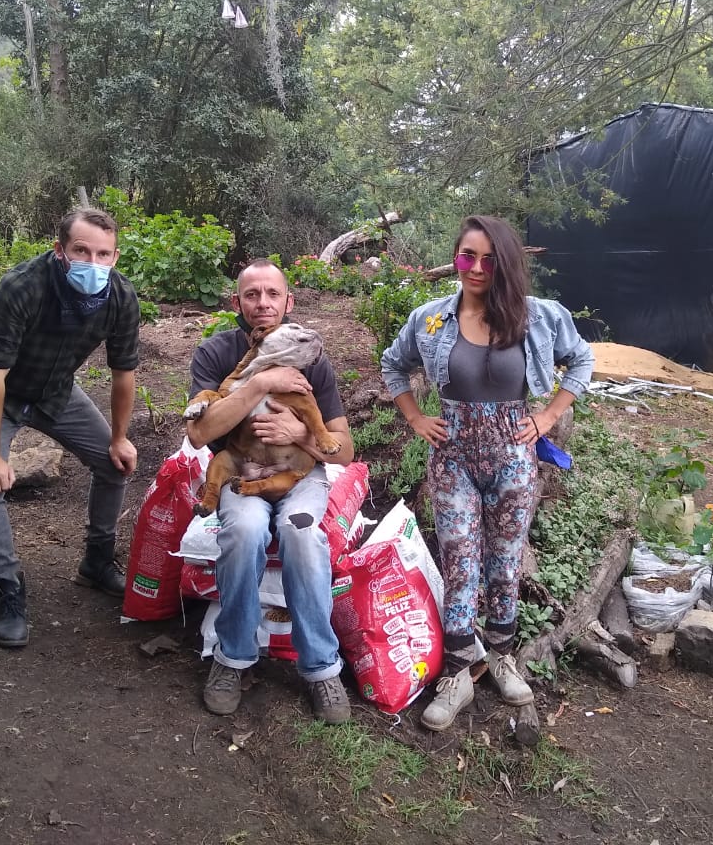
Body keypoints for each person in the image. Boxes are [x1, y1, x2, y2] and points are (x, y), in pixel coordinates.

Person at [380, 215, 595, 731]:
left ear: (506, 263)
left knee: (504, 562)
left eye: (488, 259)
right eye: (466, 256)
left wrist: (548, 416)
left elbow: (582, 360)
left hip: (513, 456)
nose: (475, 268)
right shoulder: (430, 318)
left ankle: (502, 657)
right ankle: (457, 672)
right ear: (455, 258)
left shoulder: (538, 317)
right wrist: (415, 417)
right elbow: (393, 364)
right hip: (451, 457)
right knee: (459, 562)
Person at [0, 208, 140, 649]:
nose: (93, 263)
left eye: (104, 254)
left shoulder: (120, 297)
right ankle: (8, 589)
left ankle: (96, 562)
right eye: (81, 251)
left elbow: (124, 374)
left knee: (114, 464)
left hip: (55, 391)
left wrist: (119, 438)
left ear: (114, 257)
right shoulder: (23, 287)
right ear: (60, 250)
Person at [186, 259, 355, 724]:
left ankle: (321, 667)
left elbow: (343, 451)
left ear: (288, 301)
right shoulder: (216, 352)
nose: (263, 303)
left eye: (273, 294)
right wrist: (260, 382)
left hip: (299, 473)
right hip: (240, 468)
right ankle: (233, 657)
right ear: (236, 302)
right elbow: (199, 435)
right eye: (252, 294)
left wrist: (299, 434)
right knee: (243, 531)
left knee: (302, 534)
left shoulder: (308, 354)